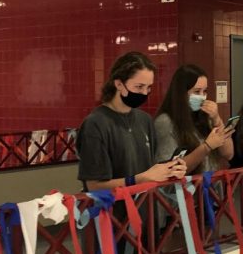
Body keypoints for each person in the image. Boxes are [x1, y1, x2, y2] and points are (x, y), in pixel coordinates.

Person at [77, 51, 186, 191]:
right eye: (139, 87)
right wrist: (139, 180)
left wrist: (170, 171)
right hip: (112, 210)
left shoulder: (145, 120)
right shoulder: (95, 124)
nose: (145, 93)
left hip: (145, 209)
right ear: (119, 84)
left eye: (149, 88)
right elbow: (94, 186)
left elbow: (149, 170)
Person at [154, 64, 234, 175]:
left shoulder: (205, 115)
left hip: (209, 188)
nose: (202, 96)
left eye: (205, 91)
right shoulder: (166, 121)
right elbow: (169, 168)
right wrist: (207, 146)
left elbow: (228, 154)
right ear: (181, 93)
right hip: (186, 189)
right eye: (197, 92)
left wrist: (217, 119)